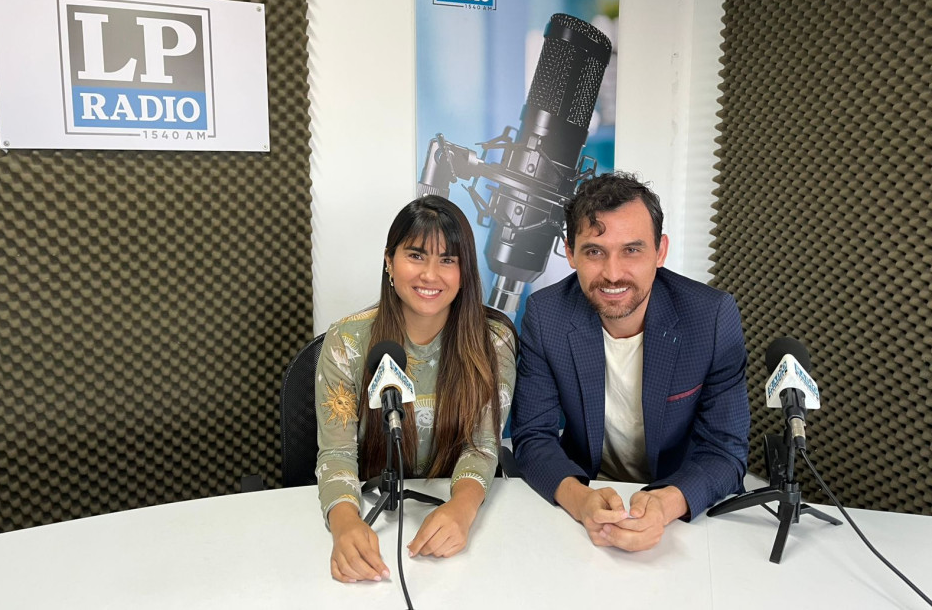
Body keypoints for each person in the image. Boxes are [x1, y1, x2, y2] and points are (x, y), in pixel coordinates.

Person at [511, 171, 749, 552]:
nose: (613, 273)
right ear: (570, 252)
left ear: (660, 251)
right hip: (583, 501)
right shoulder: (546, 314)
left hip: (682, 508)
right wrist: (580, 500)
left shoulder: (711, 317)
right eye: (594, 251)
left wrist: (666, 504)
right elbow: (532, 437)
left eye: (632, 250)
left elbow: (725, 451)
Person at [315, 195, 517, 582]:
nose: (430, 275)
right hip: (376, 512)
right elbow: (337, 453)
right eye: (416, 255)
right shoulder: (347, 342)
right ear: (389, 261)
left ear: (465, 270)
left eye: (447, 260)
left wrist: (462, 509)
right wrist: (344, 523)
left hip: (453, 515)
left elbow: (482, 445)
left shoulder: (495, 342)